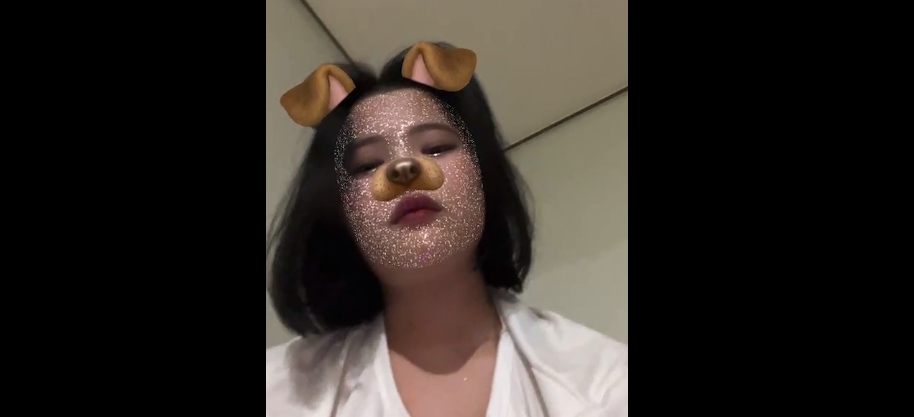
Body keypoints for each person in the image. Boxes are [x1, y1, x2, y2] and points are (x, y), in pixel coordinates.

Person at [266, 41, 628, 417]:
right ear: (339, 210)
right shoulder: (280, 393)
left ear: (483, 175)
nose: (404, 169)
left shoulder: (603, 385)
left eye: (436, 147)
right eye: (367, 165)